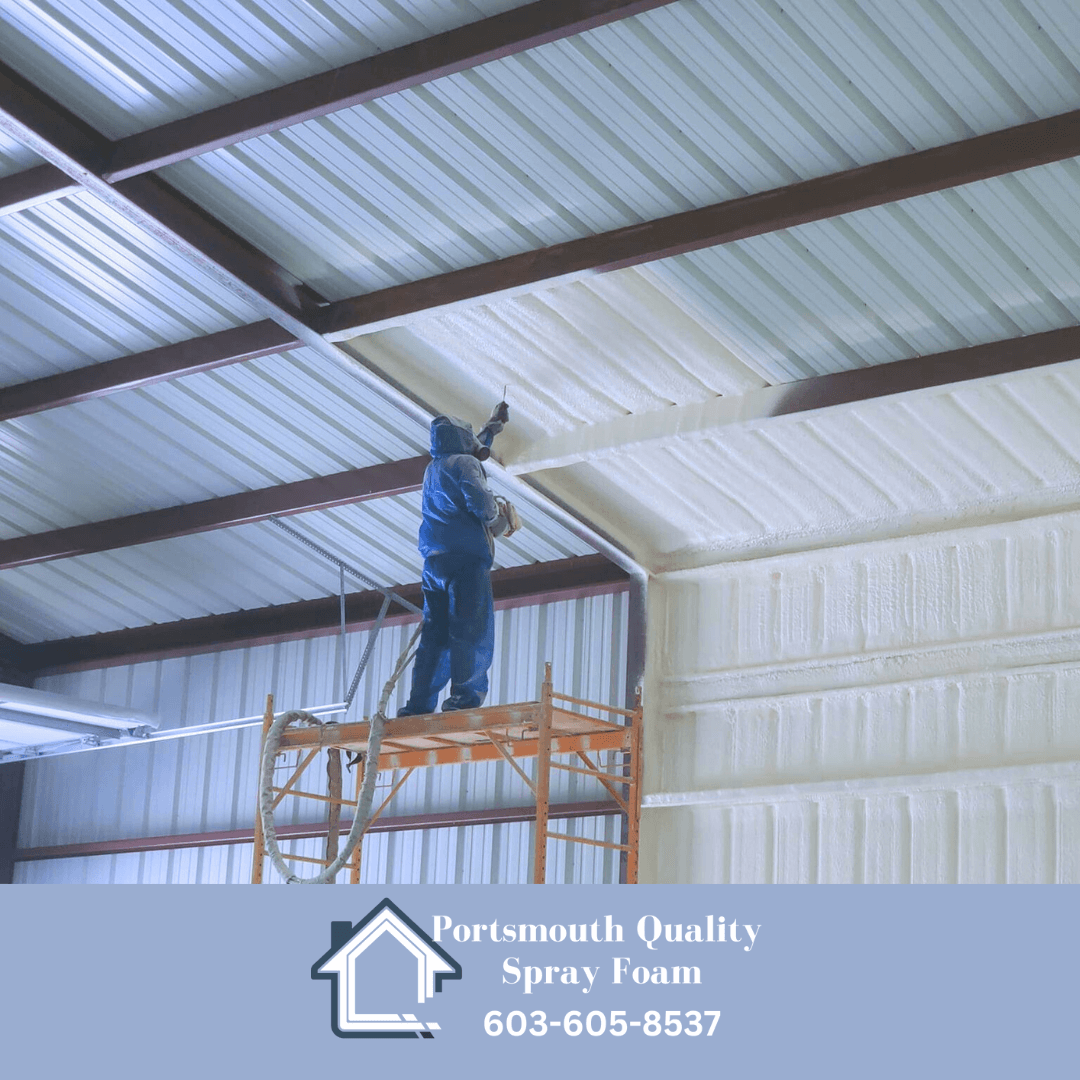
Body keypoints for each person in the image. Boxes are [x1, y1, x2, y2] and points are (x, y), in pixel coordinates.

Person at [398, 403, 520, 716]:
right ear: (462, 440)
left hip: (434, 563)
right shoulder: (465, 463)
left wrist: (492, 428)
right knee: (471, 631)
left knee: (435, 638)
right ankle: (463, 699)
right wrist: (498, 514)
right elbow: (481, 503)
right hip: (466, 561)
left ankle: (418, 706)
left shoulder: (434, 467)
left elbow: (471, 448)